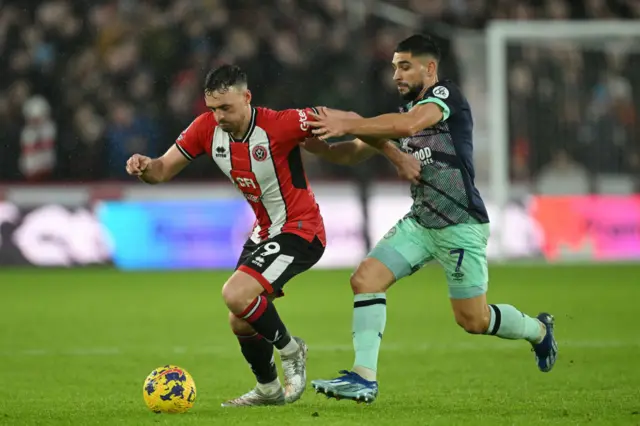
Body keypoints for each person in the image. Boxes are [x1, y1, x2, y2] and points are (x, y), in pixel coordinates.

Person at [125, 64, 417, 407]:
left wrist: (396, 154)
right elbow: (161, 170)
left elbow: (351, 119)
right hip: (264, 233)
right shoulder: (205, 129)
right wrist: (145, 168)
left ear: (247, 97)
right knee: (240, 318)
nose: (219, 116)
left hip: (301, 229)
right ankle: (268, 389)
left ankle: (293, 351)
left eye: (227, 108)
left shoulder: (281, 124)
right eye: (213, 109)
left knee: (235, 294)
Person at [305, 34, 558, 404]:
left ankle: (538, 330)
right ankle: (363, 378)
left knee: (473, 320)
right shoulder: (403, 115)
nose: (396, 74)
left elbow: (406, 127)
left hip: (461, 223)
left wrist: (350, 122)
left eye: (404, 66)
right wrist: (307, 142)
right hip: (421, 223)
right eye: (394, 67)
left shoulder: (444, 98)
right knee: (365, 279)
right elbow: (350, 155)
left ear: (430, 68)